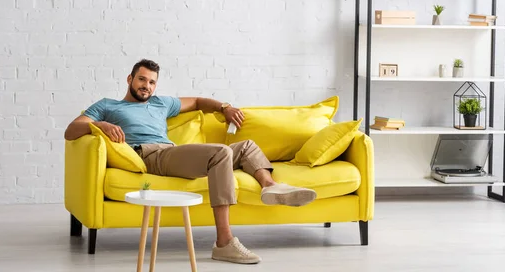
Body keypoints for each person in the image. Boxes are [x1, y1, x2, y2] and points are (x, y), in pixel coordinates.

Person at [64, 59, 316, 264]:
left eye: (152, 82)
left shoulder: (161, 103)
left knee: (247, 146)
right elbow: (71, 130)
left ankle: (270, 186)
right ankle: (224, 243)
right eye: (142, 79)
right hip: (150, 155)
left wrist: (224, 107)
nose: (147, 86)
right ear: (130, 80)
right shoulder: (108, 106)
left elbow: (196, 101)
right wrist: (101, 124)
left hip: (173, 152)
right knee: (221, 153)